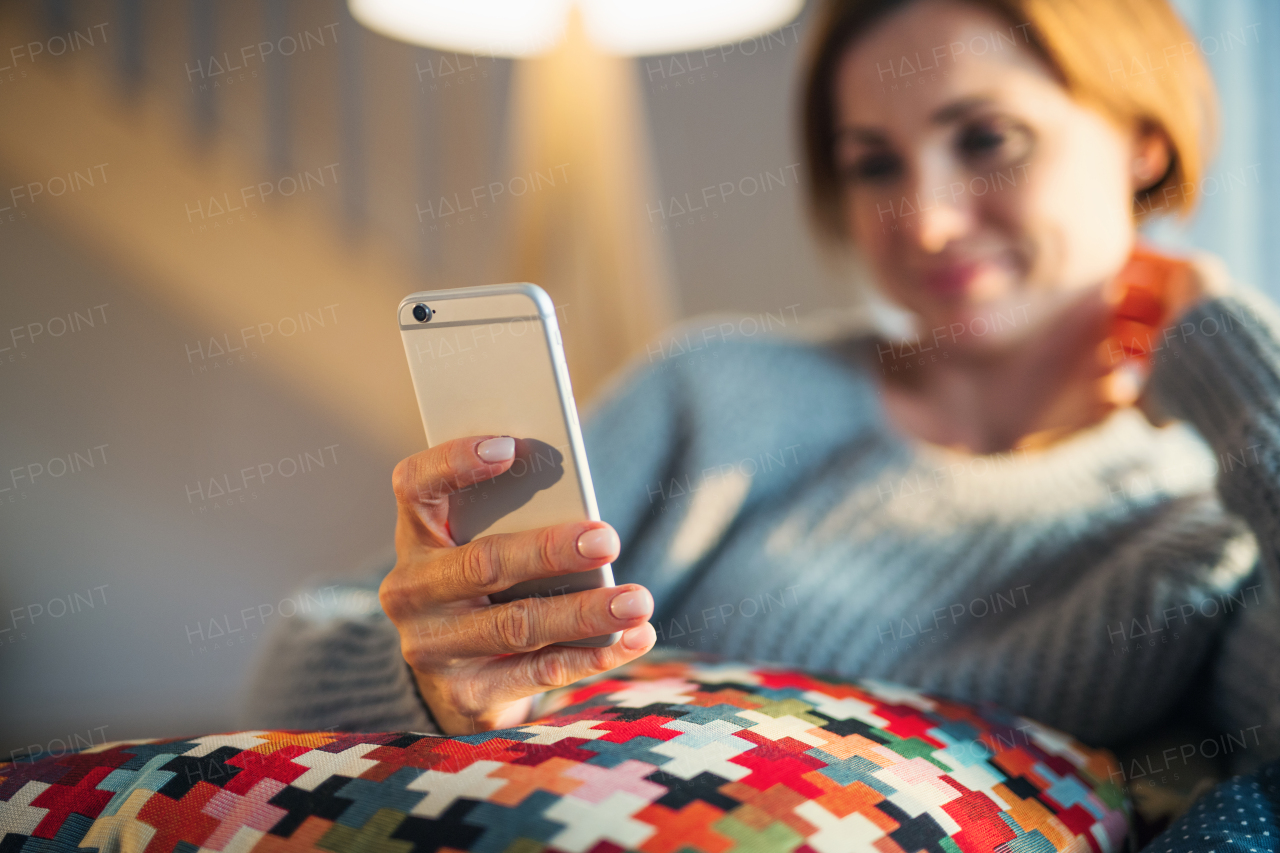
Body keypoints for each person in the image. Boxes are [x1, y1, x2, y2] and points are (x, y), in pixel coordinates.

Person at [245, 0, 1280, 785]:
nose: (921, 221)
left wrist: (1237, 364)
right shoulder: (720, 396)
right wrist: (428, 677)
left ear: (1141, 140)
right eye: (873, 165)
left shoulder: (1208, 515)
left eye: (985, 140)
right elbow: (288, 674)